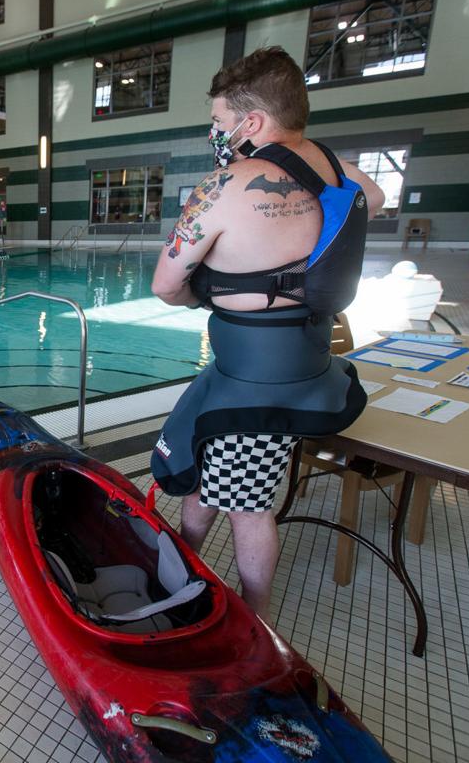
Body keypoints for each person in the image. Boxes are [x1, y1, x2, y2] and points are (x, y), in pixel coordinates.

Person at [148, 47, 384, 621]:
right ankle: (185, 560)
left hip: (257, 385)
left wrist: (209, 291)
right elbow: (371, 200)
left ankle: (256, 620)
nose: (215, 131)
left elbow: (165, 285)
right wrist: (305, 257)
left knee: (248, 506)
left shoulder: (226, 185)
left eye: (219, 121)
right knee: (210, 456)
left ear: (251, 122)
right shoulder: (330, 165)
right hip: (307, 366)